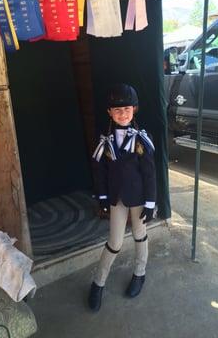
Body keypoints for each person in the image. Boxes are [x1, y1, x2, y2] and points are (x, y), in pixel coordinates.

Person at [88, 83, 156, 311]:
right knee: (115, 242)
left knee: (139, 234)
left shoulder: (141, 140)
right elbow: (100, 174)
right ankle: (98, 283)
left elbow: (149, 173)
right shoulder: (104, 142)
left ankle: (140, 273)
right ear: (109, 112)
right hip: (116, 198)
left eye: (127, 109)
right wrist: (103, 200)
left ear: (134, 110)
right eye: (117, 110)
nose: (123, 114)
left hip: (138, 198)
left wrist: (150, 202)